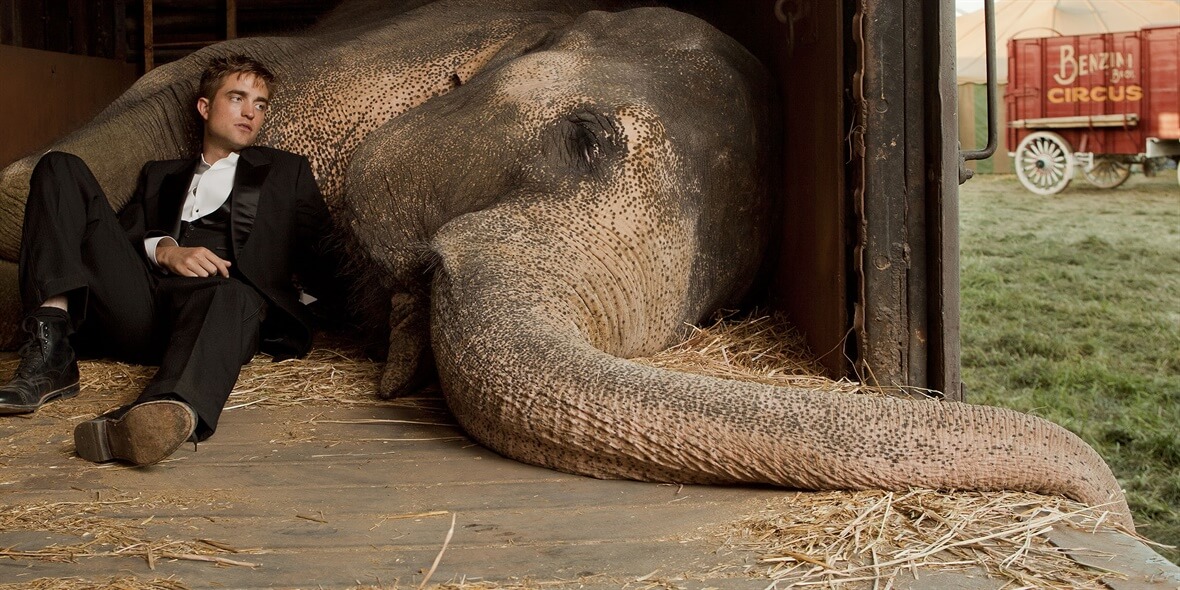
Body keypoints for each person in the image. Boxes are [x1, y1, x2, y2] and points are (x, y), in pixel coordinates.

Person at [0, 54, 340, 466]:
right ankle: (50, 355)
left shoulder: (286, 172)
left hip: (219, 309)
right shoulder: (160, 174)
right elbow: (118, 240)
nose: (251, 112)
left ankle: (149, 418)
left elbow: (328, 253)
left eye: (261, 104)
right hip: (142, 305)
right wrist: (165, 249)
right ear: (204, 107)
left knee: (234, 296)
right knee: (58, 166)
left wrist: (315, 309)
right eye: (237, 98)